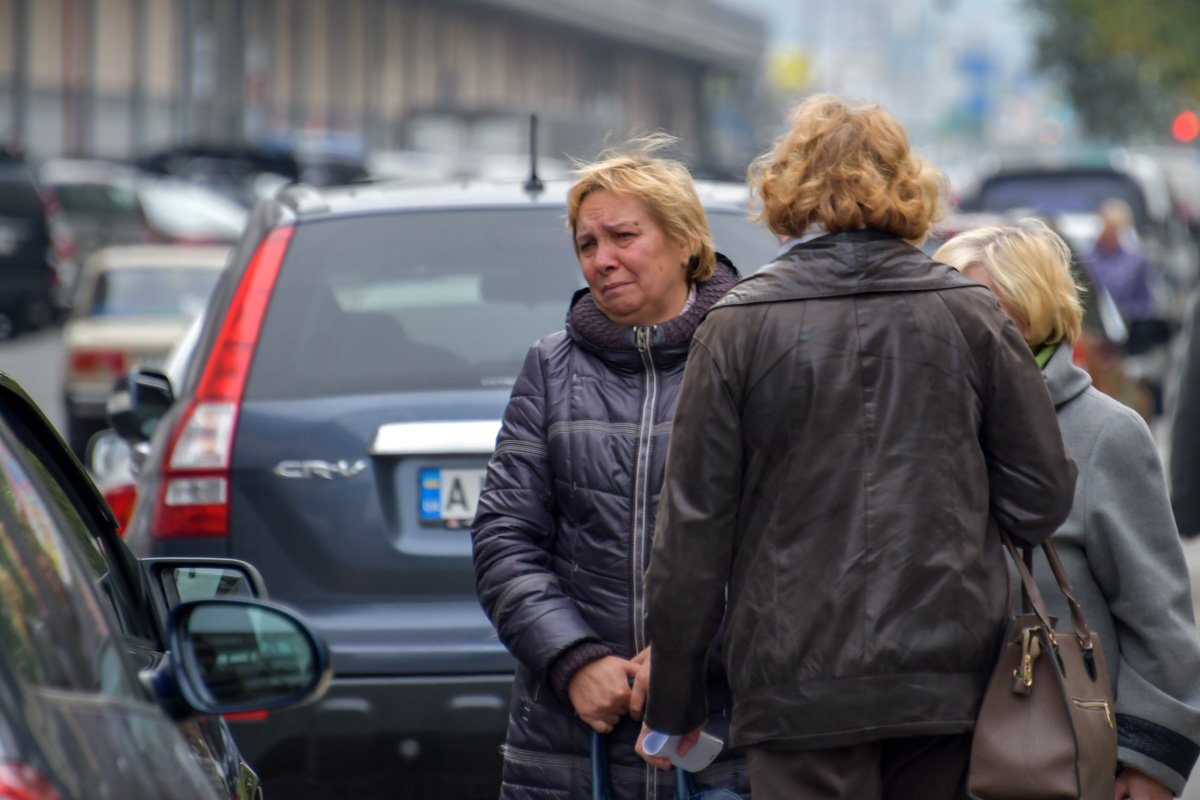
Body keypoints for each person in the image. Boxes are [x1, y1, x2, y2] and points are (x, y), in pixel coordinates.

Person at [637, 94, 1077, 800]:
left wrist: (676, 702)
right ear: (909, 185)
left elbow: (692, 535)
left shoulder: (737, 326)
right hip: (945, 681)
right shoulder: (969, 313)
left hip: (794, 688)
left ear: (788, 185)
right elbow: (1042, 497)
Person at [471, 136, 749, 799]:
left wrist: (689, 654)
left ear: (686, 242)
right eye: (587, 244)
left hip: (726, 736)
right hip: (571, 743)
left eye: (623, 236)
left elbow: (791, 547)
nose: (603, 260)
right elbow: (503, 541)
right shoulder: (551, 366)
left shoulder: (751, 356)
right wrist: (574, 660)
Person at [935, 218, 1200, 800]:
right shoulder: (917, 426)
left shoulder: (1106, 433)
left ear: (1031, 318)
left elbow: (1159, 619)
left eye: (978, 309)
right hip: (930, 755)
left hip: (1058, 762)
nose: (950, 327)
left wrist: (1149, 760)